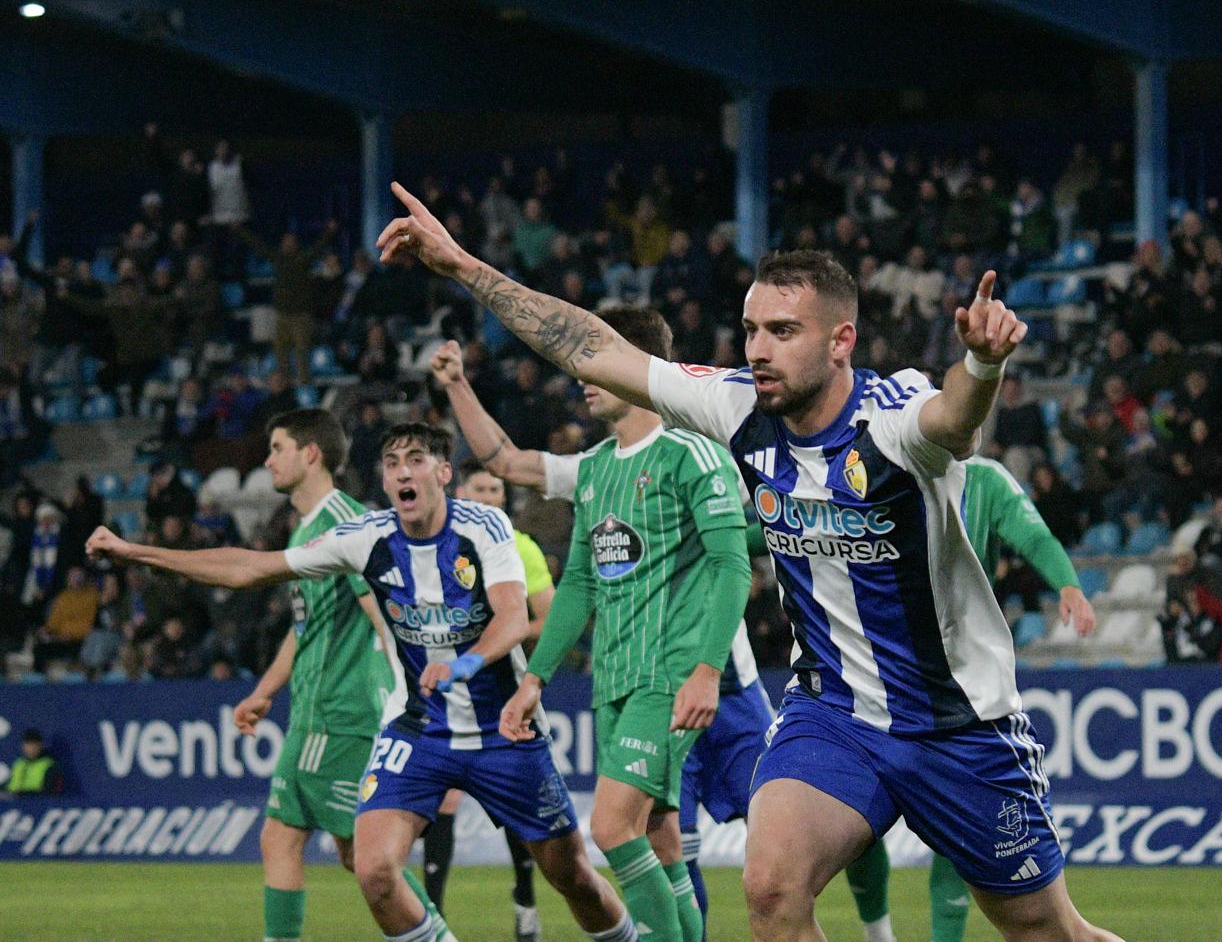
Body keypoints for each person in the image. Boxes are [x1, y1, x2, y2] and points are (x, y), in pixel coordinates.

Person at [377, 181, 1122, 942]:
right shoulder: (737, 406)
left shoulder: (893, 420)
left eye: (784, 331)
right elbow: (593, 347)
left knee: (1044, 931)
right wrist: (464, 265)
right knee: (768, 891)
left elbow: (954, 423)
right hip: (833, 715)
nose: (759, 349)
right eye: (751, 329)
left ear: (841, 342)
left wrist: (984, 365)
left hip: (958, 723)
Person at [87, 422, 632, 942]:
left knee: (574, 878)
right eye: (391, 463)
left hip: (503, 729)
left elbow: (514, 616)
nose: (402, 474)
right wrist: (137, 552)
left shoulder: (481, 526)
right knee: (373, 871)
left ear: (443, 473)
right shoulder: (365, 538)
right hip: (418, 730)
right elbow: (250, 568)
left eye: (416, 461)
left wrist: (465, 664)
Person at [432, 328, 771, 937]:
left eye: (593, 363)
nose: (581, 378)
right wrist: (534, 677)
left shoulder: (690, 453)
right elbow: (581, 585)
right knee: (661, 840)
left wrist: (705, 668)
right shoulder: (593, 470)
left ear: (634, 369)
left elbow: (732, 564)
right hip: (613, 679)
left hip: (666, 674)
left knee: (612, 829)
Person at [110, 408, 456, 942]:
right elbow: (307, 627)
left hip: (347, 716)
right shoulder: (306, 527)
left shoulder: (345, 523)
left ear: (310, 453)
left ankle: (435, 936)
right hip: (311, 715)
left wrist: (414, 703)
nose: (268, 460)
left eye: (277, 448)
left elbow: (386, 615)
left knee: (362, 858)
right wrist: (265, 691)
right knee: (282, 838)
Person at [832, 455, 1100, 942]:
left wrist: (1068, 584)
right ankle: (879, 936)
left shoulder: (984, 480)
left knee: (961, 848)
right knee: (850, 825)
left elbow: (1033, 536)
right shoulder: (874, 468)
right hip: (869, 685)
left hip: (956, 691)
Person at [422, 459, 555, 942]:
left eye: (495, 489)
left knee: (515, 800)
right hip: (447, 689)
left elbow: (548, 617)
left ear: (504, 498)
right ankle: (432, 916)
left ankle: (525, 899)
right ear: (460, 490)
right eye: (478, 487)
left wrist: (499, 635)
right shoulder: (436, 546)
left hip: (506, 690)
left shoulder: (522, 549)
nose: (487, 496)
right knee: (446, 799)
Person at [5, 729, 63, 796]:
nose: (31, 748)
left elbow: (49, 793)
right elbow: (10, 788)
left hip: (35, 804)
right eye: (28, 745)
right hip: (12, 804)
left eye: (34, 745)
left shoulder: (49, 765)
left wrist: (20, 794)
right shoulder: (19, 764)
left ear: (41, 745)